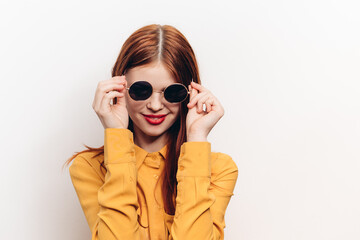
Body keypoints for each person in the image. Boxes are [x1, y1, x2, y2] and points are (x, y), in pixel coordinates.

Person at [64, 24, 238, 240]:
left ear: (191, 93)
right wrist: (116, 135)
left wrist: (197, 140)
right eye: (141, 90)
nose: (155, 105)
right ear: (119, 88)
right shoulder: (90, 168)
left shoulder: (219, 170)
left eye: (172, 92)